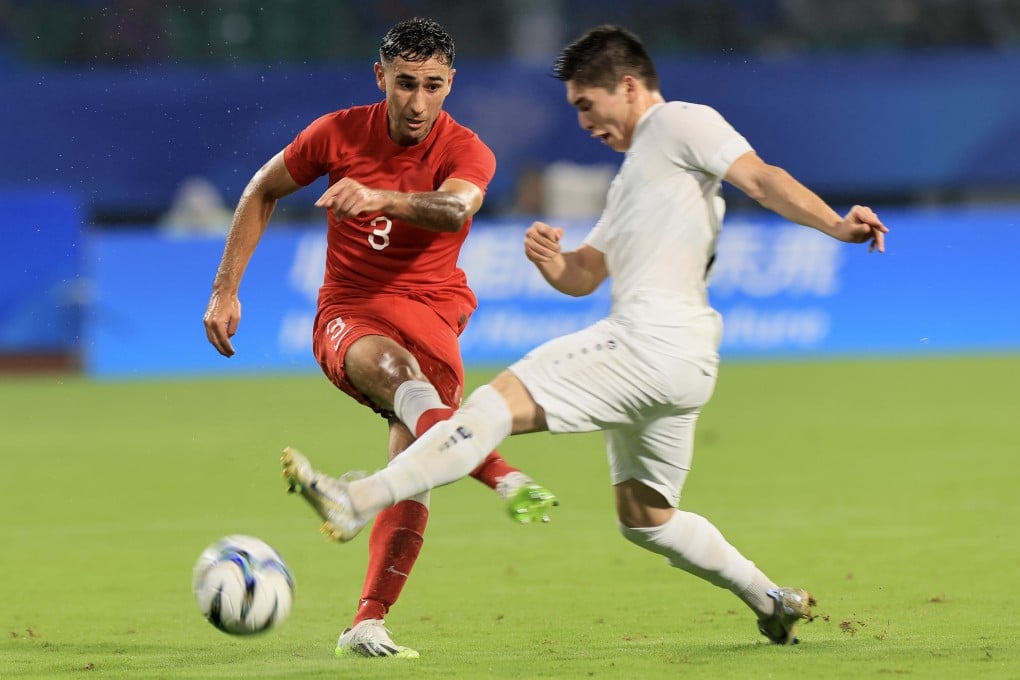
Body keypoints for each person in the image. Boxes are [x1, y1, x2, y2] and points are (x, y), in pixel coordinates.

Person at [281, 24, 888, 646]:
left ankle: (356, 500)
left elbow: (761, 178)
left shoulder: (677, 123)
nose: (584, 122)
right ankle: (771, 598)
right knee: (646, 518)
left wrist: (837, 226)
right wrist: (554, 263)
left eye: (585, 104)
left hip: (646, 343)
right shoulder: (635, 182)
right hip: (687, 366)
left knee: (487, 409)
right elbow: (586, 274)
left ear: (626, 86)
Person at [203, 17, 558, 659]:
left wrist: (381, 198)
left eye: (431, 86)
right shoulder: (336, 133)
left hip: (436, 313)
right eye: (404, 85)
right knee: (401, 379)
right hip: (352, 310)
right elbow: (262, 189)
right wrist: (225, 289)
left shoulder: (467, 149)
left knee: (413, 471)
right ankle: (504, 476)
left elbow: (455, 208)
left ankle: (367, 621)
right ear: (381, 78)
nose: (417, 102)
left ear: (449, 84)